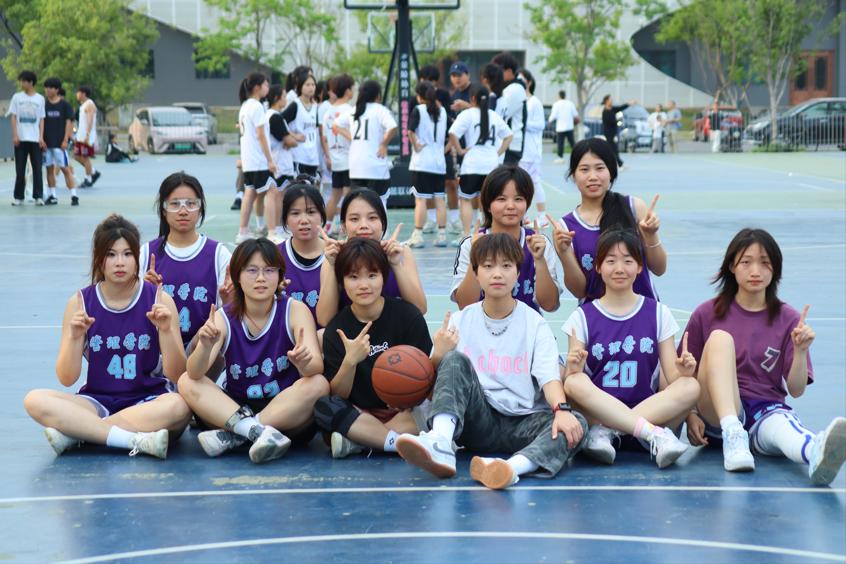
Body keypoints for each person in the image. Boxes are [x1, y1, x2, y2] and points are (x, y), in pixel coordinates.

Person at [395, 233, 587, 490]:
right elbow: (433, 388)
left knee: (576, 423)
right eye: (488, 266)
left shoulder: (535, 323)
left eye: (506, 266)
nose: (498, 274)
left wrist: (561, 411)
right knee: (454, 359)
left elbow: (549, 378)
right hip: (478, 421)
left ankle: (510, 468)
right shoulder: (460, 321)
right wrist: (438, 354)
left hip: (523, 421)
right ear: (475, 273)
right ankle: (440, 442)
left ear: (518, 273)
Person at [681, 228, 846, 484]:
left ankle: (816, 453)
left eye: (765, 263)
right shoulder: (706, 313)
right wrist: (690, 414)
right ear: (732, 267)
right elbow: (683, 375)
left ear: (775, 269)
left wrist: (800, 351)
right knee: (720, 339)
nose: (755, 271)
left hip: (764, 410)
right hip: (717, 417)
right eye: (746, 262)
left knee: (783, 429)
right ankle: (734, 434)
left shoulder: (788, 318)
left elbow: (796, 390)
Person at [23, 214, 191, 458]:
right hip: (96, 401)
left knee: (179, 407)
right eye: (111, 254)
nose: (119, 262)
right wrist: (74, 338)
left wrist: (166, 331)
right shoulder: (80, 302)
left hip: (148, 400)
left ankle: (81, 432)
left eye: (127, 254)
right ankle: (131, 439)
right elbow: (67, 378)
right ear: (99, 259)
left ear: (137, 258)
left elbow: (178, 374)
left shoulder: (159, 300)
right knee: (34, 400)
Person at [178, 238, 328, 463]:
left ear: (280, 275)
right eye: (252, 270)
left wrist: (304, 363)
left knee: (319, 384)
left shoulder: (295, 310)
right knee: (186, 381)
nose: (261, 278)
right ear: (237, 276)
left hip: (285, 411)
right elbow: (194, 372)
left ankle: (240, 434)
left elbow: (316, 367)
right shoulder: (223, 317)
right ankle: (254, 431)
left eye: (269, 270)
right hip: (234, 408)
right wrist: (205, 348)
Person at [561, 229, 699, 468]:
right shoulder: (581, 317)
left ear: (639, 267)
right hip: (600, 421)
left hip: (647, 416)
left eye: (627, 261)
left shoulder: (658, 313)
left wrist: (684, 372)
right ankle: (649, 433)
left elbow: (672, 376)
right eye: (610, 261)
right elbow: (574, 381)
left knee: (691, 385)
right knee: (573, 381)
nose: (619, 269)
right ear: (598, 267)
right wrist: (573, 368)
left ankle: (615, 429)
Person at [316, 238, 433, 458]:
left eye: (372, 275)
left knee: (433, 406)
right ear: (342, 281)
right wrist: (350, 361)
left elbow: (427, 375)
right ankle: (394, 442)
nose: (364, 285)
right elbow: (338, 394)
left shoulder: (407, 315)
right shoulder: (336, 329)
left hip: (405, 411)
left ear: (383, 277)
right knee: (325, 406)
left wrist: (405, 399)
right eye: (353, 277)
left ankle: (364, 442)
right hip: (362, 414)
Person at [552, 138, 665, 303]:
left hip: (644, 312)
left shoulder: (634, 208)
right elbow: (579, 291)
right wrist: (564, 253)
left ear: (611, 172)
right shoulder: (565, 228)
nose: (593, 176)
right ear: (573, 175)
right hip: (595, 316)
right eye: (584, 169)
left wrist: (651, 235)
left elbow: (659, 268)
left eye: (599, 168)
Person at [452, 165, 562, 315]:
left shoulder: (538, 244)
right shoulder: (471, 245)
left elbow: (549, 305)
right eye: (501, 199)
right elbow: (464, 304)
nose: (510, 206)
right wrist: (475, 257)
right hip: (480, 328)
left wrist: (540, 260)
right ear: (488, 205)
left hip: (527, 328)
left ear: (527, 203)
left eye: (518, 199)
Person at [141, 172, 233, 351]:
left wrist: (229, 300)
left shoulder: (218, 254)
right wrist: (144, 293)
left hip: (203, 348)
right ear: (163, 210)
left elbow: (230, 314)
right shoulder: (145, 254)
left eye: (190, 204)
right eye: (175, 204)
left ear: (200, 209)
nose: (183, 211)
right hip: (157, 349)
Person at [315, 188, 426, 327]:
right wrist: (332, 265)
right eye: (354, 219)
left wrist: (396, 265)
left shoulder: (402, 254)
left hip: (395, 335)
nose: (364, 225)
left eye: (372, 218)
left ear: (383, 223)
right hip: (352, 336)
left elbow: (420, 309)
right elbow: (324, 319)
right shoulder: (334, 258)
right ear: (343, 226)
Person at [447, 86, 512, 243]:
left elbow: (452, 133)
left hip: (471, 165)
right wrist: (497, 153)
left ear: (472, 99)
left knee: (466, 200)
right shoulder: (493, 115)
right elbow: (509, 136)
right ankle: (487, 232)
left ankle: (466, 234)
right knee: (488, 201)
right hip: (491, 165)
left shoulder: (467, 114)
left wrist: (460, 150)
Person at [235, 73, 281, 245]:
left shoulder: (245, 106)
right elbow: (260, 134)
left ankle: (243, 231)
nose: (268, 88)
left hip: (249, 160)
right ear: (257, 87)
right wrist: (270, 159)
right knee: (272, 190)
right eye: (265, 85)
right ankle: (272, 232)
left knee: (250, 193)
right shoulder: (257, 106)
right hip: (258, 159)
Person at [336, 80, 398, 210]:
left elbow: (336, 125)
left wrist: (352, 137)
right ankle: (380, 225)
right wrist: (384, 144)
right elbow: (393, 127)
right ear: (377, 95)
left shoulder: (354, 110)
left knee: (359, 204)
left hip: (356, 167)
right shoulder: (379, 110)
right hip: (376, 167)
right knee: (379, 204)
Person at [405, 82, 448, 249]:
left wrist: (416, 146)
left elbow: (410, 131)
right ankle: (442, 234)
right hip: (439, 162)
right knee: (439, 199)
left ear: (419, 96)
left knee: (421, 200)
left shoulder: (419, 109)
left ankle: (418, 235)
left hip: (422, 162)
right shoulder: (442, 111)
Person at [277, 181, 326, 324]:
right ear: (285, 219)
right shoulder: (273, 256)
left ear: (322, 215)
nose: (304, 220)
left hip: (325, 334)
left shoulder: (337, 254)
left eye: (311, 212)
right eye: (295, 213)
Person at [418, 64, 459, 238]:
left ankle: (454, 219)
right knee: (426, 190)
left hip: (442, 149)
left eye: (430, 80)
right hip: (425, 152)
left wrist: (447, 148)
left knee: (450, 183)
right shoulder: (418, 100)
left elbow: (450, 123)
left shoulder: (443, 95)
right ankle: (432, 219)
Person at [323, 74, 355, 237]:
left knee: (335, 196)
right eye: (352, 88)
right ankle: (346, 228)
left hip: (335, 160)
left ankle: (327, 227)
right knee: (349, 197)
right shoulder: (350, 110)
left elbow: (324, 137)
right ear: (347, 90)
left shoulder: (327, 112)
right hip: (349, 159)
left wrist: (329, 156)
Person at [8, 70, 45, 206]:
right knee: (20, 169)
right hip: (21, 139)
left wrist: (41, 137)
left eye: (23, 81)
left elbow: (41, 119)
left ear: (31, 82)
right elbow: (13, 117)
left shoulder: (40, 99)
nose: (21, 83)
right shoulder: (17, 97)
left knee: (37, 169)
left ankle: (38, 196)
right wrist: (15, 135)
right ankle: (19, 197)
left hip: (35, 139)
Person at [266, 84, 298, 241]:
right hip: (280, 163)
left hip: (279, 161)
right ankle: (277, 229)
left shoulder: (272, 116)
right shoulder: (274, 117)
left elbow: (289, 139)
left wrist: (291, 139)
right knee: (279, 196)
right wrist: (292, 139)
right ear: (277, 98)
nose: (286, 99)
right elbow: (290, 141)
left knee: (279, 196)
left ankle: (278, 228)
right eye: (284, 96)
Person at [517, 69, 548, 226]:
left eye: (522, 80)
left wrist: (523, 124)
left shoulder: (534, 102)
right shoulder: (518, 101)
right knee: (521, 183)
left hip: (531, 151)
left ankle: (542, 217)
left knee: (534, 182)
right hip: (520, 151)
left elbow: (541, 125)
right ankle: (524, 216)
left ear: (529, 82)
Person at [446, 61, 473, 234]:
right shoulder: (454, 94)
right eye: (453, 76)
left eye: (459, 75)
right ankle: (458, 221)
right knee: (459, 184)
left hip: (475, 147)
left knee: (475, 189)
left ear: (467, 75)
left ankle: (477, 221)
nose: (456, 78)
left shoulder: (474, 91)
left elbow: (486, 112)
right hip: (460, 147)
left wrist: (466, 106)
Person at [41, 77, 77, 205]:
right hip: (46, 144)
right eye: (46, 87)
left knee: (65, 169)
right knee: (49, 170)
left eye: (50, 88)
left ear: (57, 89)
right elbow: (41, 122)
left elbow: (69, 123)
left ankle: (74, 195)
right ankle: (53, 195)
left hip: (60, 144)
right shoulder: (43, 104)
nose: (47, 90)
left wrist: (65, 140)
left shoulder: (65, 105)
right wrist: (41, 139)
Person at [281, 73, 321, 180]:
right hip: (299, 156)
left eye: (313, 85)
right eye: (307, 85)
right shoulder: (296, 104)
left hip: (313, 157)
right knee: (300, 187)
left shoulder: (315, 107)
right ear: (300, 87)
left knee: (312, 188)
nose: (311, 87)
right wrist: (293, 135)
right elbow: (279, 121)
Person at [491, 52, 527, 166]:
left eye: (498, 70)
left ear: (509, 71)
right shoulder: (506, 88)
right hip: (504, 145)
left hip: (510, 147)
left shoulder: (515, 89)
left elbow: (497, 114)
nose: (495, 74)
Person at [74, 85, 100, 187]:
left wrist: (88, 135)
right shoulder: (83, 105)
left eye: (78, 92)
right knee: (77, 156)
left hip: (86, 136)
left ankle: (88, 179)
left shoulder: (90, 104)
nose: (77, 95)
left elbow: (90, 120)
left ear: (83, 93)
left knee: (85, 157)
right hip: (80, 135)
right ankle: (93, 172)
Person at [600, 94, 636, 168]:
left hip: (613, 133)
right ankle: (619, 164)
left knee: (612, 149)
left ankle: (616, 164)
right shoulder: (605, 112)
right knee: (613, 149)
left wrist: (628, 104)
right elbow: (611, 121)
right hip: (608, 133)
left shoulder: (612, 109)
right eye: (610, 100)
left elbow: (620, 108)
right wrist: (618, 121)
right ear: (606, 101)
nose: (612, 101)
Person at [549, 90, 578, 163]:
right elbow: (575, 114)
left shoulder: (556, 104)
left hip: (560, 127)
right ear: (565, 95)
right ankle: (578, 154)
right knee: (572, 142)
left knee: (560, 143)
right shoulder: (570, 103)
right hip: (569, 127)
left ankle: (560, 157)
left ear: (559, 96)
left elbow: (553, 115)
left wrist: (550, 121)